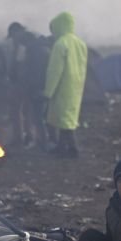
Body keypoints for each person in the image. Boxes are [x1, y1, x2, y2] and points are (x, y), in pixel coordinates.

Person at [43, 12, 87, 158]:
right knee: (68, 118)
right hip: (76, 86)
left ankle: (74, 149)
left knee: (65, 120)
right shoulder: (80, 43)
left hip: (62, 87)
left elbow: (55, 71)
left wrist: (48, 91)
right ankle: (62, 147)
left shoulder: (61, 43)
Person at [18, 30, 53, 149]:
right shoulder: (42, 49)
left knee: (38, 117)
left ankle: (42, 142)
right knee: (42, 116)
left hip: (37, 88)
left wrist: (32, 87)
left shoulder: (35, 52)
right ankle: (46, 141)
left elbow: (35, 73)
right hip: (43, 87)